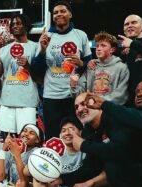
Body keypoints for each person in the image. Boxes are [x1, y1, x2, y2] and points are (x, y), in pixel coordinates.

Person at [84, 80, 142, 187]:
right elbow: (115, 150)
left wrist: (104, 104)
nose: (139, 94)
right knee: (113, 168)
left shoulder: (137, 118)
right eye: (137, 92)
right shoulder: (130, 120)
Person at [31, 1, 92, 139]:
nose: (59, 14)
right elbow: (36, 68)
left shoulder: (80, 35)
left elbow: (90, 64)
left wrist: (81, 63)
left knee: (76, 135)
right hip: (51, 96)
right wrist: (43, 50)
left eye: (63, 11)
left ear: (70, 14)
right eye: (56, 12)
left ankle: (76, 161)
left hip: (74, 95)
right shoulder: (46, 37)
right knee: (53, 136)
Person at [0, 14, 40, 135]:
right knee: (7, 139)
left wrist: (27, 66)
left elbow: (40, 78)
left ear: (26, 26)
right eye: (13, 24)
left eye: (18, 23)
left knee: (26, 139)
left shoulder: (35, 47)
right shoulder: (4, 49)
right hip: (7, 102)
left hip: (27, 102)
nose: (15, 26)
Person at [71, 31, 129, 105]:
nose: (98, 48)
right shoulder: (91, 66)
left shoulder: (122, 68)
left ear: (112, 50)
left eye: (103, 45)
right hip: (92, 111)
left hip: (111, 112)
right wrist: (73, 85)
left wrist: (97, 102)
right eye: (97, 46)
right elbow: (80, 95)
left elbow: (121, 97)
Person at [119, 15, 142, 106]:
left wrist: (132, 44)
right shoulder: (124, 51)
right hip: (130, 101)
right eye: (126, 24)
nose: (129, 25)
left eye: (134, 22)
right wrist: (94, 62)